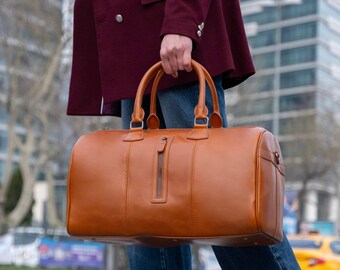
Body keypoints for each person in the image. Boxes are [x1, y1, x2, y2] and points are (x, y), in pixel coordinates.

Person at [67, 0, 300, 269]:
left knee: (219, 193)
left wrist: (182, 20)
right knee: (142, 207)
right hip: (129, 38)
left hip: (166, 29)